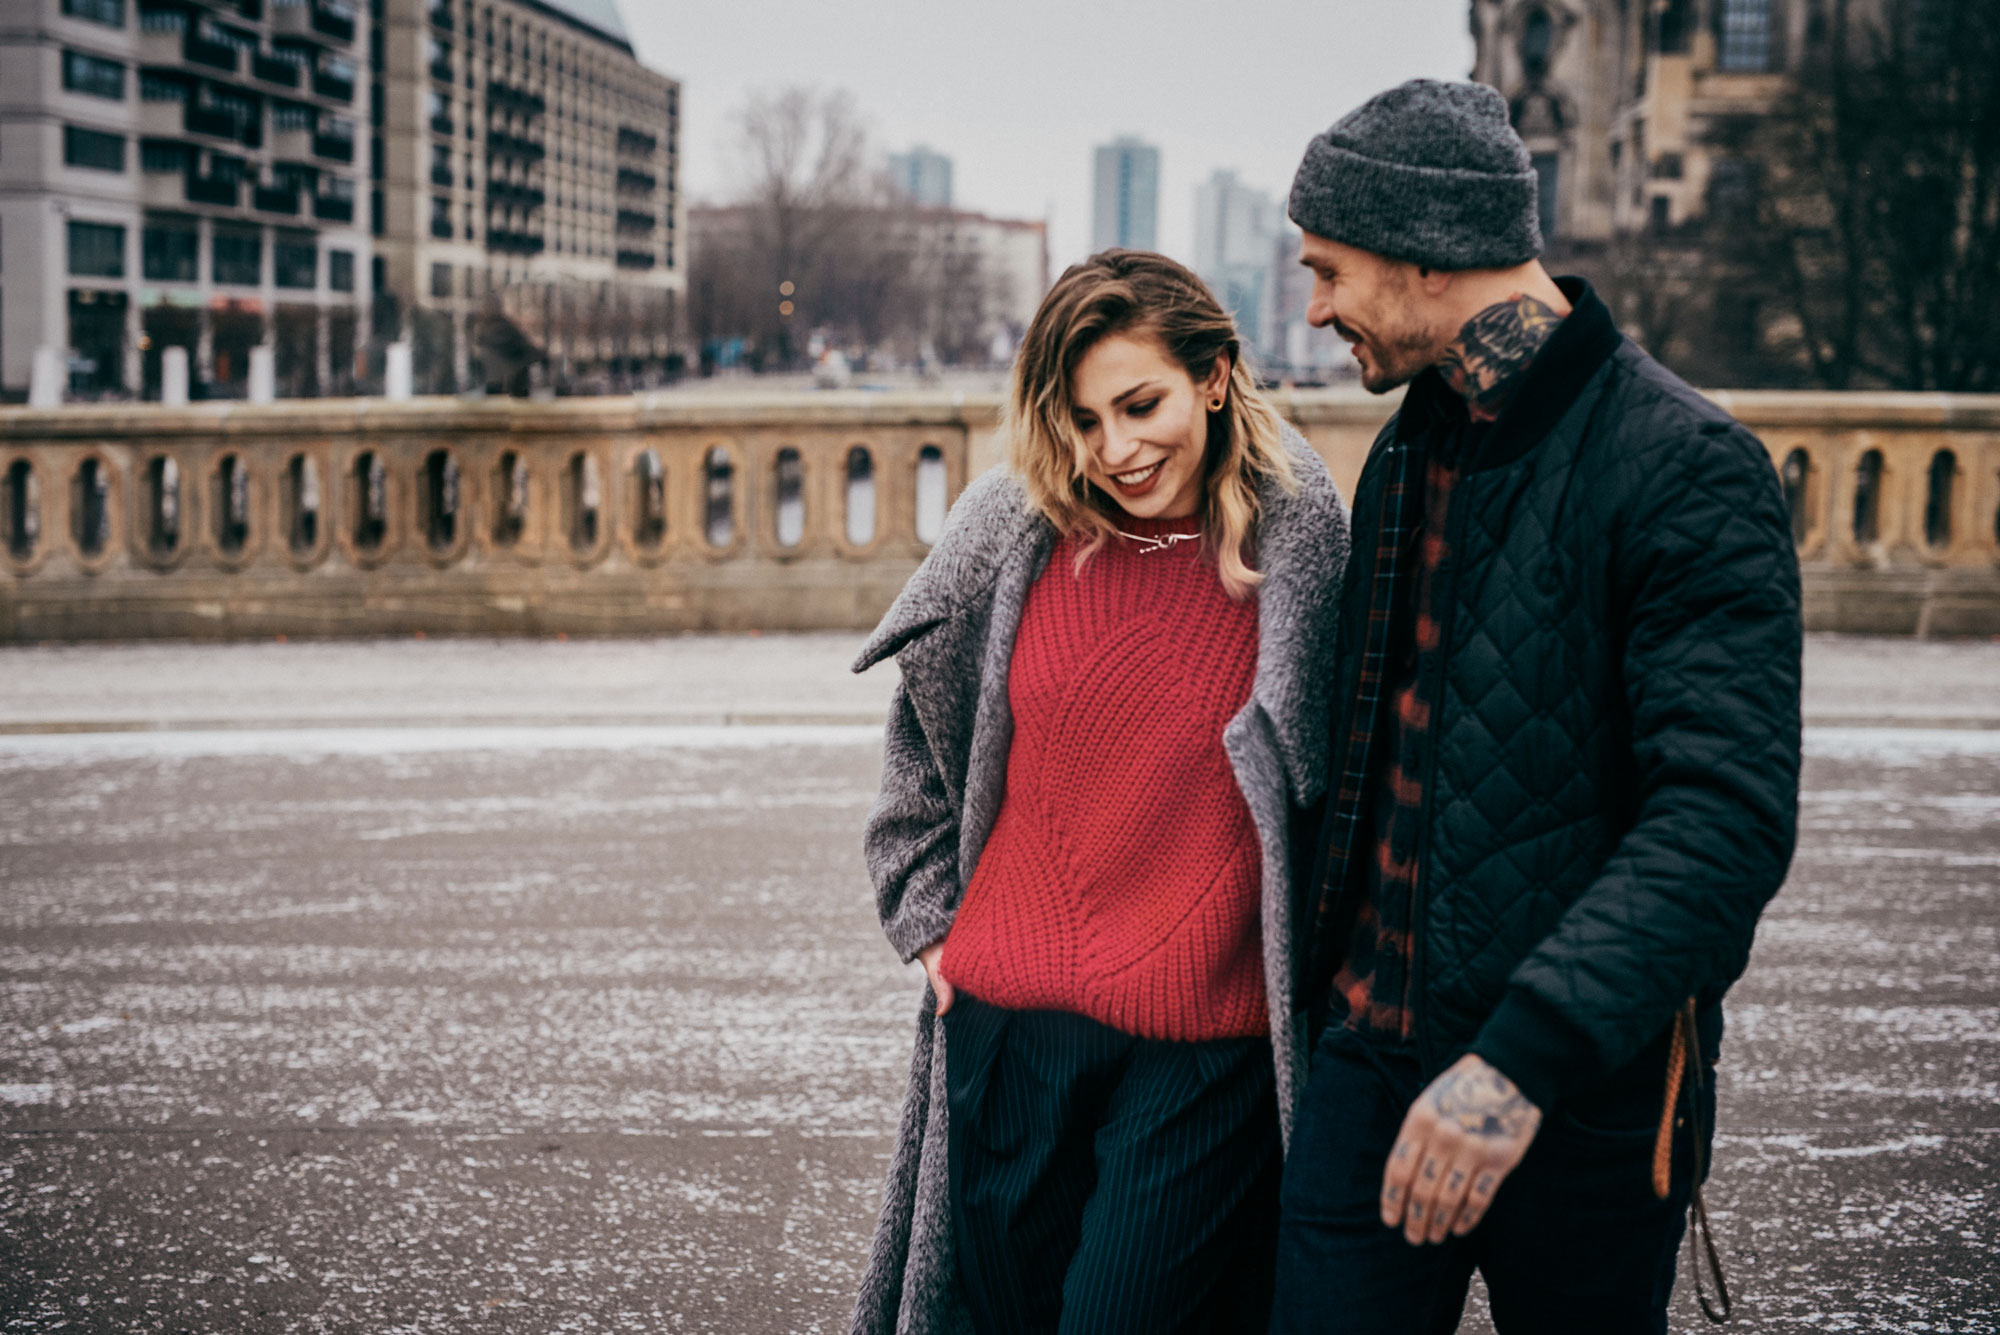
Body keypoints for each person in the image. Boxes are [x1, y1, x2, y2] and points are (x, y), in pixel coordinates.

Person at [1268, 80, 1803, 1334]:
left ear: (1421, 254)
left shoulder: (1682, 466)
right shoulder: (1413, 441)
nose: (1316, 308)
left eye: (1328, 270)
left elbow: (1720, 822)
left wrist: (1518, 1062)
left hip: (1578, 1103)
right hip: (1366, 1068)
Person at [849, 250, 1350, 1335]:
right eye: (1082, 419)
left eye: (1140, 404)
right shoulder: (1016, 529)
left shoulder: (1298, 541)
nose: (1115, 450)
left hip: (1202, 1055)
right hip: (1006, 1030)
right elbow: (918, 764)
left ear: (1214, 377)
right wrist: (932, 929)